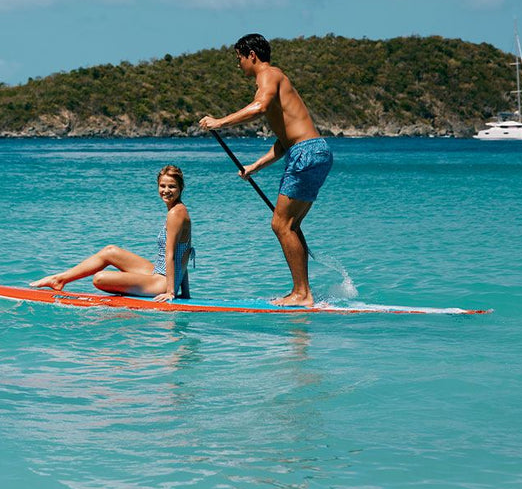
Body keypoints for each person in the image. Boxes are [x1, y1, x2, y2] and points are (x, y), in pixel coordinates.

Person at [198, 33, 332, 306]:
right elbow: (284, 143)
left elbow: (259, 107)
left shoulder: (268, 75)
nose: (239, 66)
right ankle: (304, 292)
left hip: (306, 153)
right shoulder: (275, 80)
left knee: (280, 223)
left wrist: (219, 122)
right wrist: (255, 166)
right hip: (313, 151)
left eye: (239, 59)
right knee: (291, 224)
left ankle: (301, 294)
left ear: (252, 55)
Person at [30, 165, 194, 302]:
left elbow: (171, 254)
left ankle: (137, 289)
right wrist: (185, 294)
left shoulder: (175, 214)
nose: (166, 190)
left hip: (163, 282)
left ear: (181, 188)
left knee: (99, 278)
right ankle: (59, 279)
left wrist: (171, 292)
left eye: (172, 186)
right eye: (162, 186)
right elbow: (185, 253)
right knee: (110, 251)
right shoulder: (178, 210)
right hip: (160, 272)